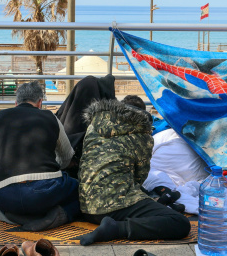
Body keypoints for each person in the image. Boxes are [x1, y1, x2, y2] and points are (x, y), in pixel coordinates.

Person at [78, 96, 190, 246]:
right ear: (142, 115)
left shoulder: (94, 125)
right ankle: (117, 228)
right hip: (112, 207)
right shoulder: (142, 134)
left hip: (86, 207)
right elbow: (139, 177)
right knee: (180, 223)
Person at [0, 81, 78, 231]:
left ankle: (16, 217)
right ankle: (58, 216)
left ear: (16, 103)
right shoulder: (50, 117)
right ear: (40, 102)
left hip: (4, 196)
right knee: (80, 191)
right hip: (44, 192)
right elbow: (66, 157)